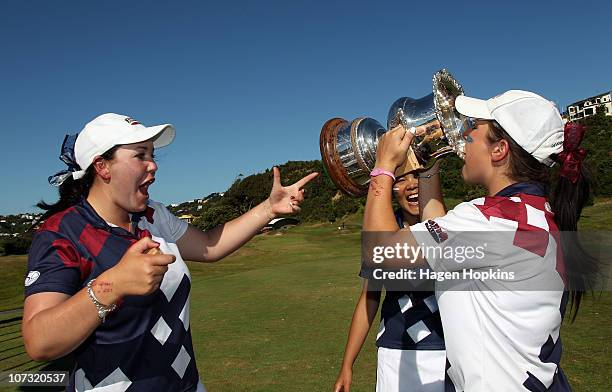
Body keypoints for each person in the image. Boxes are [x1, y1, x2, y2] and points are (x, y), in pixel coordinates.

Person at [22, 113, 318, 392]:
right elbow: (40, 341)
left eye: (152, 155)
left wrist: (269, 209)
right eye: (140, 155)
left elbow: (209, 246)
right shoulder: (62, 232)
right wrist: (114, 285)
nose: (153, 165)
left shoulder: (154, 216)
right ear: (102, 166)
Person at [363, 90, 599, 390]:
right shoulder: (538, 213)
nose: (464, 133)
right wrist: (429, 162)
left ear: (499, 150)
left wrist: (383, 167)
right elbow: (435, 225)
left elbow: (379, 252)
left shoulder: (488, 219)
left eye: (474, 127)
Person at [334, 170, 446, 392]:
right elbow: (369, 299)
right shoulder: (381, 234)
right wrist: (347, 364)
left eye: (418, 175)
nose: (412, 184)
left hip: (445, 352)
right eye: (402, 178)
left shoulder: (451, 222)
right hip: (394, 354)